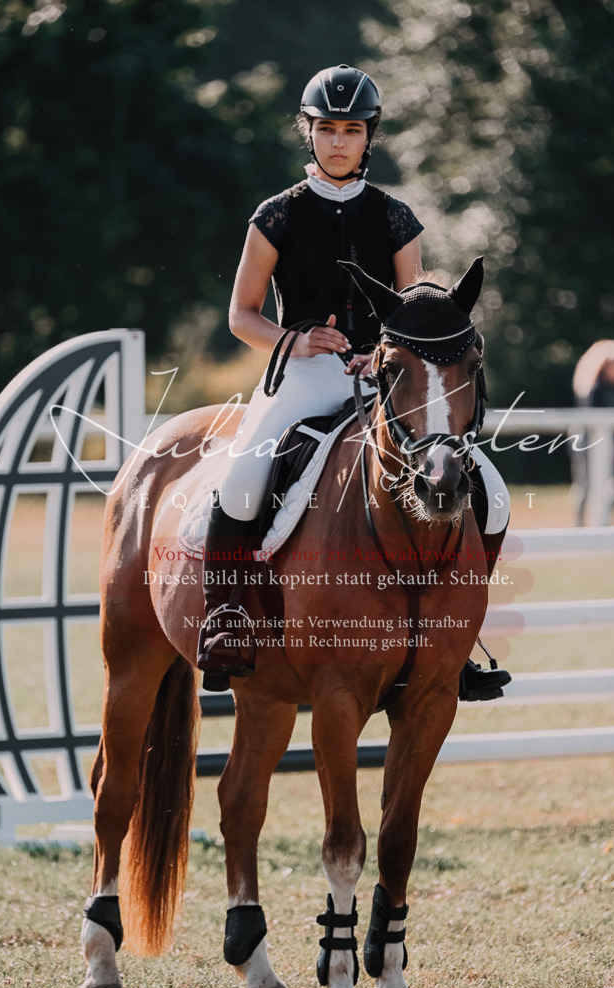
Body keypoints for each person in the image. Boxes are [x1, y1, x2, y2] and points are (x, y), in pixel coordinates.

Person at [197, 64, 510, 701]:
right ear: (307, 133)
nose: (338, 141)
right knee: (240, 481)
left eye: (352, 130)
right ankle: (226, 616)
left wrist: (386, 356)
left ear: (371, 136)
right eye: (326, 129)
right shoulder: (276, 215)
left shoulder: (396, 217)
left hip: (386, 380)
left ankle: (458, 635)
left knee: (494, 494)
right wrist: (295, 339)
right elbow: (240, 316)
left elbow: (416, 309)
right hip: (304, 376)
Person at [570, 339, 614, 526]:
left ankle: (604, 519)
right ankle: (579, 527)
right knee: (586, 484)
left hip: (609, 438)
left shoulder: (610, 387)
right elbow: (592, 419)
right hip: (588, 438)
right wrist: (605, 445)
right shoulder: (594, 386)